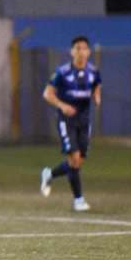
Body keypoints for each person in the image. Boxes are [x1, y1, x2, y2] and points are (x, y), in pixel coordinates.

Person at [39, 35, 102, 212]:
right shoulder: (62, 72)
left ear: (89, 52)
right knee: (74, 158)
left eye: (84, 48)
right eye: (77, 48)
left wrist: (97, 96)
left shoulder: (93, 72)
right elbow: (47, 94)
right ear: (71, 51)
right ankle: (78, 200)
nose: (81, 52)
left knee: (78, 162)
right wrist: (62, 105)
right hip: (66, 121)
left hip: (84, 121)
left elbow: (97, 85)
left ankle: (49, 174)